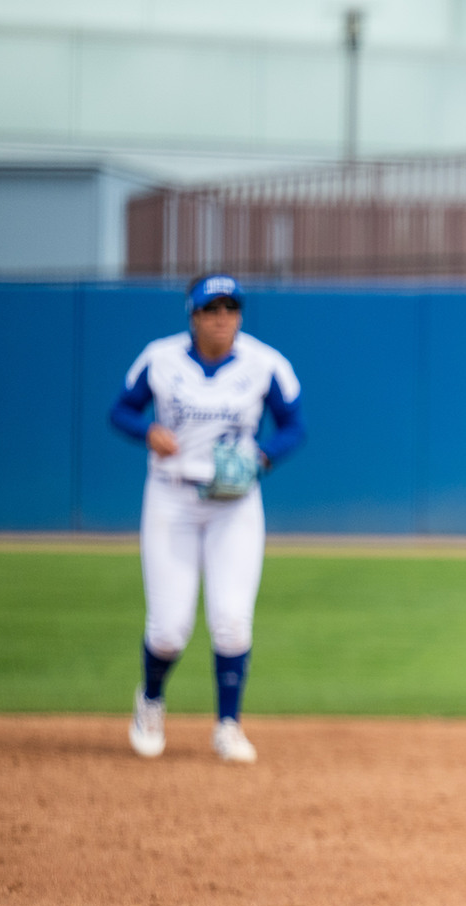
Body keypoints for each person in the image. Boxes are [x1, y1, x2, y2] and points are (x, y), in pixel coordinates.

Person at [109, 274, 306, 764]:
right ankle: (150, 701)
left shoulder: (264, 364)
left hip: (234, 504)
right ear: (192, 316)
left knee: (232, 621)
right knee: (169, 629)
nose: (223, 319)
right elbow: (121, 411)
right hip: (171, 497)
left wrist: (263, 456)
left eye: (230, 309)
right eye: (211, 310)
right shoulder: (161, 358)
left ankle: (228, 725)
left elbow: (294, 426)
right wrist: (146, 431)